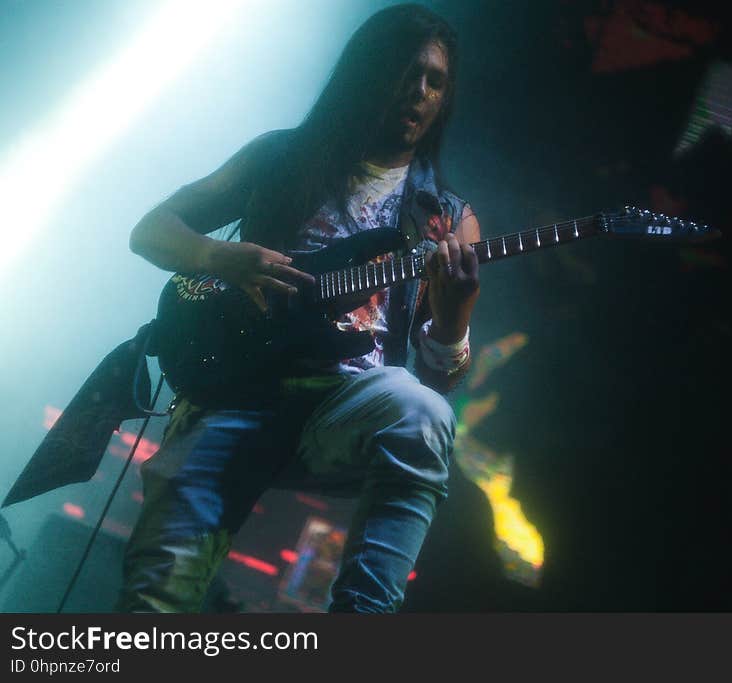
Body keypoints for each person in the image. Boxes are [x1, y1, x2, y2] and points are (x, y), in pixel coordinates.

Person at [117, 4, 480, 613]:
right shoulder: (282, 157)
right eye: (405, 72)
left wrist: (455, 316)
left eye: (435, 81)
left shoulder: (446, 216)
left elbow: (442, 380)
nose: (418, 92)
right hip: (234, 388)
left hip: (344, 406)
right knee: (154, 601)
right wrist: (220, 257)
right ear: (368, 72)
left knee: (422, 411)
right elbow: (151, 231)